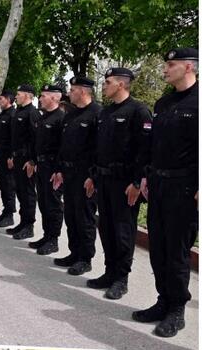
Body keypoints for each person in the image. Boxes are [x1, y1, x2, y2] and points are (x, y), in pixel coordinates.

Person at [135, 47, 199, 338]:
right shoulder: (163, 103)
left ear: (189, 67)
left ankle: (177, 310)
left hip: (184, 188)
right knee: (158, 249)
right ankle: (163, 301)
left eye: (171, 64)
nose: (165, 69)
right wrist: (146, 175)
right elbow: (152, 144)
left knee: (176, 251)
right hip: (158, 184)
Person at [85, 67, 152, 301]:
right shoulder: (105, 113)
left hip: (125, 183)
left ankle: (121, 279)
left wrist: (137, 182)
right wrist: (93, 175)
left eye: (108, 82)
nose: (104, 86)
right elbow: (98, 148)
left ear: (122, 84)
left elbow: (145, 151)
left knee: (123, 231)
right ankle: (109, 272)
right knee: (106, 228)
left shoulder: (138, 111)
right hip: (103, 179)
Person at [52, 76, 101, 275]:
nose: (69, 93)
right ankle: (74, 252)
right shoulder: (70, 115)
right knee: (71, 215)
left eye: (72, 90)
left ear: (82, 91)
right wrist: (59, 169)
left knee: (84, 217)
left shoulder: (98, 113)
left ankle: (85, 257)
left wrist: (94, 175)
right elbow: (63, 146)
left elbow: (100, 148)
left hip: (85, 174)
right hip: (69, 172)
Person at [28, 84, 66, 256]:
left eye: (43, 96)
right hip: (41, 165)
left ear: (53, 98)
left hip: (52, 168)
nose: (40, 99)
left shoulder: (61, 118)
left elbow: (63, 147)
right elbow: (37, 143)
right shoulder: (43, 118)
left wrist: (58, 169)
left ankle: (53, 240)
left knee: (53, 204)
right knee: (43, 202)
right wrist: (33, 161)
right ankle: (46, 235)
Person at [7, 84, 39, 239]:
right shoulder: (19, 112)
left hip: (27, 160)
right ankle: (23, 222)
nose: (16, 96)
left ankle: (29, 225)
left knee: (27, 193)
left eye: (18, 94)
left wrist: (32, 161)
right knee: (19, 191)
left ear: (27, 95)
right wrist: (13, 156)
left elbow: (35, 139)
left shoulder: (32, 113)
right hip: (17, 158)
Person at [0, 91, 18, 227]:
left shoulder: (12, 115)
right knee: (2, 184)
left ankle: (10, 215)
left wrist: (12, 156)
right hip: (0, 154)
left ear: (8, 99)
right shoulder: (3, 114)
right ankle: (5, 211)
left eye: (1, 99)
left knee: (9, 185)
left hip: (8, 156)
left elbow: (14, 138)